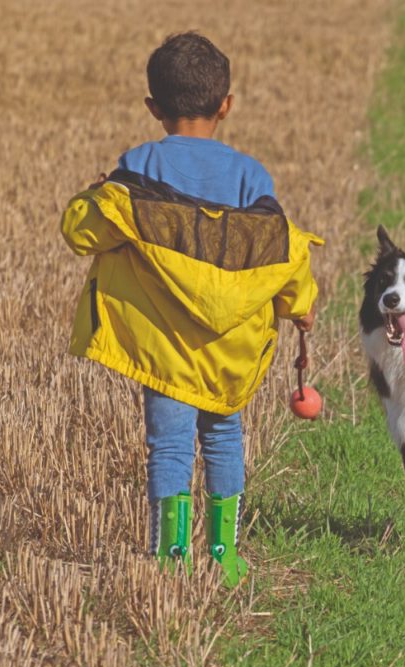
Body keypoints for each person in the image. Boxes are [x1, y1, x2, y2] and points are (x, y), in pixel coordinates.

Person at [60, 32, 321, 587]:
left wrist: (92, 196)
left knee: (169, 444)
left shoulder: (138, 167)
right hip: (229, 350)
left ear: (153, 108)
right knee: (225, 436)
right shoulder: (252, 176)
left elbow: (84, 234)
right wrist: (301, 306)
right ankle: (224, 553)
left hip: (163, 348)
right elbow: (279, 247)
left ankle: (169, 557)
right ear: (225, 105)